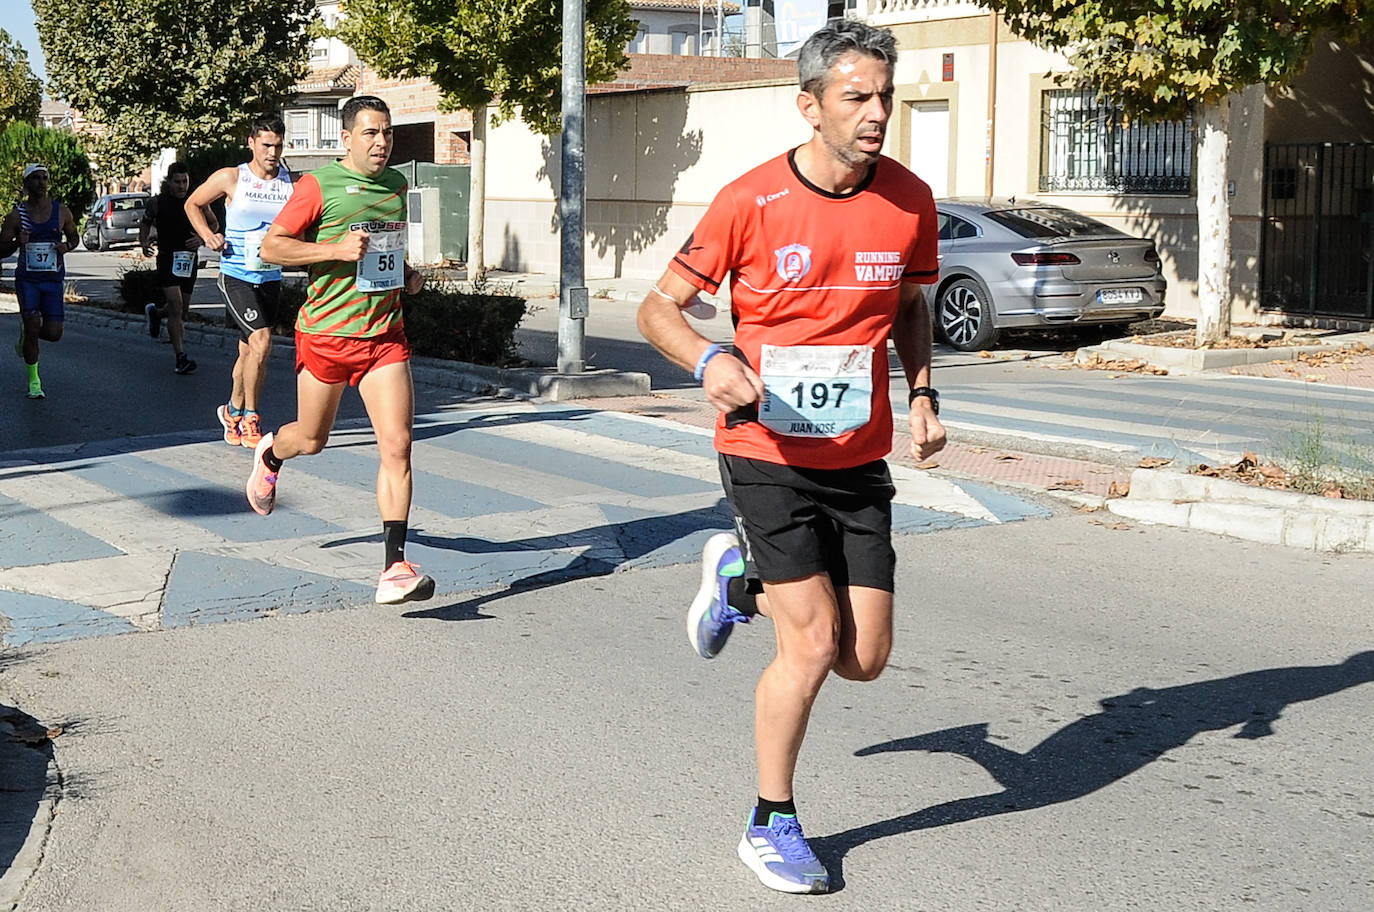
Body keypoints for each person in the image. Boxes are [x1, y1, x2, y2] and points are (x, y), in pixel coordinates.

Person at [636, 19, 946, 895]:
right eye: (857, 97)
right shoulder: (751, 201)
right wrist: (709, 359)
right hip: (764, 446)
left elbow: (910, 308)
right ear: (810, 107)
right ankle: (770, 821)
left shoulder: (911, 199)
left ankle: (740, 584)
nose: (876, 112)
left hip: (858, 455)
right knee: (810, 645)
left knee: (864, 657)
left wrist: (924, 395)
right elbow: (658, 309)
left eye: (885, 96)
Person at [247, 95, 434, 606]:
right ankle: (271, 452)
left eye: (387, 132)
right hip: (327, 335)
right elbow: (272, 246)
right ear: (347, 138)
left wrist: (405, 275)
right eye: (371, 133)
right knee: (311, 440)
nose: (381, 142)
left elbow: (384, 252)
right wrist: (334, 249)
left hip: (384, 337)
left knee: (398, 446)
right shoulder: (317, 185)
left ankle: (394, 566)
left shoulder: (396, 186)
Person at [186, 115, 294, 448]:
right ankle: (250, 417)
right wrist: (208, 235)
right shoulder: (232, 177)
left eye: (278, 146)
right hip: (236, 275)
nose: (272, 153)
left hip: (270, 275)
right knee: (262, 341)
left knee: (249, 352)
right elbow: (193, 203)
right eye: (266, 145)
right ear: (251, 143)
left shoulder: (289, 182)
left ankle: (231, 410)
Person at [0, 164, 80, 399]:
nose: (42, 182)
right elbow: (1, 249)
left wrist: (67, 246)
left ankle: (28, 334)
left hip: (53, 280)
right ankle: (34, 382)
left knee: (54, 333)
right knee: (33, 322)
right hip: (28, 281)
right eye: (36, 178)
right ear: (26, 183)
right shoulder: (16, 216)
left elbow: (74, 237)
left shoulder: (61, 211)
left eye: (45, 178)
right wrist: (17, 242)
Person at [141, 161, 212, 375]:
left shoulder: (197, 201)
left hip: (189, 260)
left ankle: (156, 313)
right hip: (167, 258)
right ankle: (180, 357)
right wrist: (143, 242)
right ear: (169, 182)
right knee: (176, 305)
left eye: (185, 181)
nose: (182, 186)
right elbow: (145, 223)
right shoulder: (157, 202)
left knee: (182, 310)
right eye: (177, 182)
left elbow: (214, 224)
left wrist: (201, 238)